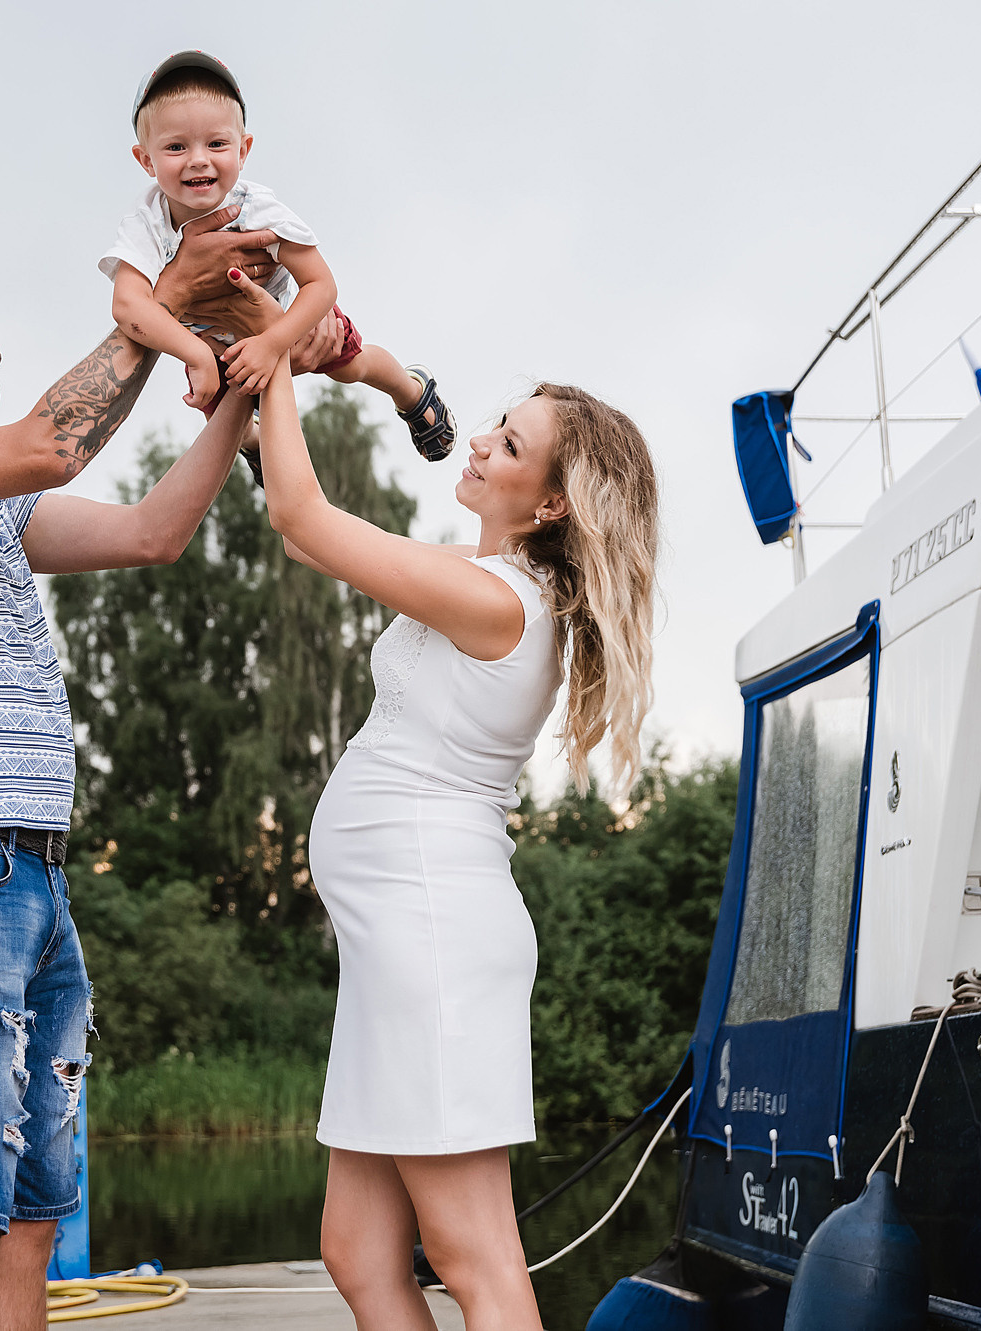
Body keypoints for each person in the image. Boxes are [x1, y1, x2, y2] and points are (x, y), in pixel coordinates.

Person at [0, 232, 342, 1331]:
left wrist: (243, 382)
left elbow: (152, 532)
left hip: (36, 874)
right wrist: (153, 311)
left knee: (35, 1216)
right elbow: (49, 444)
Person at [249, 335, 660, 1330]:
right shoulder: (479, 579)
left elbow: (302, 511)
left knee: (474, 1255)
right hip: (395, 943)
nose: (475, 443)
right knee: (355, 1249)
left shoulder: (495, 601)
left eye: (507, 442)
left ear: (550, 500)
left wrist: (267, 363)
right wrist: (290, 387)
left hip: (431, 938)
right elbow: (303, 536)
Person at [102, 50, 457, 463]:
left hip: (294, 322)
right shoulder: (146, 224)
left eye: (216, 143)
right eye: (176, 147)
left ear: (243, 149)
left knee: (349, 368)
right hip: (215, 345)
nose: (198, 158)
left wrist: (274, 342)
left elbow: (321, 284)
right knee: (220, 423)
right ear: (146, 159)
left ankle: (410, 390)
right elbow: (127, 303)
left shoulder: (257, 210)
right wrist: (195, 352)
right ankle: (255, 448)